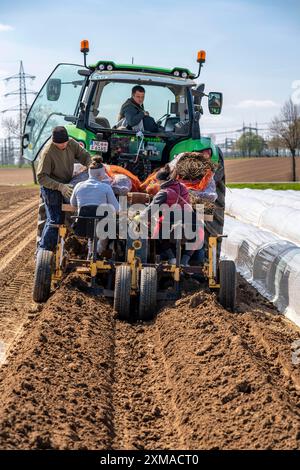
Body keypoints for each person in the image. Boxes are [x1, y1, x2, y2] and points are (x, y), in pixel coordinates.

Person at [37, 126, 91, 252]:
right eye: (59, 144)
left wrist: (91, 166)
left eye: (64, 143)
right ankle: (43, 251)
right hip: (52, 187)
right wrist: (60, 187)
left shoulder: (72, 144)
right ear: (53, 141)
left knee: (73, 215)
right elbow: (41, 177)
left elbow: (85, 156)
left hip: (68, 183)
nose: (62, 146)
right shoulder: (47, 152)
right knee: (55, 220)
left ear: (68, 139)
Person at [138, 165, 194, 265]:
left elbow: (151, 209)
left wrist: (139, 217)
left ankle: (172, 258)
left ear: (162, 181)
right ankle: (185, 261)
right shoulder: (183, 187)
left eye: (158, 181)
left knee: (157, 233)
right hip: (188, 218)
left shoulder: (164, 192)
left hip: (171, 219)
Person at [70, 159, 120, 258]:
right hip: (102, 225)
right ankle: (98, 253)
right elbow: (117, 208)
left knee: (90, 228)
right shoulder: (106, 188)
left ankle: (90, 253)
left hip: (82, 224)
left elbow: (73, 204)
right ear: (101, 174)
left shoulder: (78, 186)